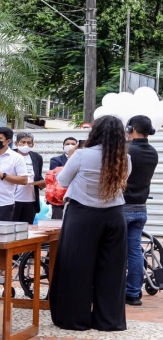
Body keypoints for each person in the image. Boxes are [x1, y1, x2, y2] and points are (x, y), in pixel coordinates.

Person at [50, 115, 130, 331]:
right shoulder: (125, 159)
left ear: (95, 133)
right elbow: (122, 185)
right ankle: (109, 321)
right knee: (112, 270)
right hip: (114, 216)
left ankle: (75, 319)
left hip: (82, 215)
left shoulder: (82, 155)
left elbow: (63, 181)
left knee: (76, 267)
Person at [123, 115, 158, 306]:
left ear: (131, 128)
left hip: (122, 207)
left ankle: (114, 290)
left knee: (115, 250)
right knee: (135, 250)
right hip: (140, 207)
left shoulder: (126, 150)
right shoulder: (153, 152)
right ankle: (133, 293)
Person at [12, 132, 45, 224]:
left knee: (27, 228)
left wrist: (42, 183)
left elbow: (38, 175)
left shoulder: (37, 157)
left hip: (31, 200)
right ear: (16, 143)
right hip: (12, 200)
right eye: (23, 142)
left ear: (33, 144)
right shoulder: (10, 155)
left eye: (29, 142)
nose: (26, 145)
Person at [49, 137, 78, 219]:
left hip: (74, 196)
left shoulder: (81, 159)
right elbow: (56, 175)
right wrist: (70, 158)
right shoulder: (55, 160)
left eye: (73, 144)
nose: (70, 146)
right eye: (67, 144)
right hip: (58, 196)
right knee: (57, 220)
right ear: (63, 147)